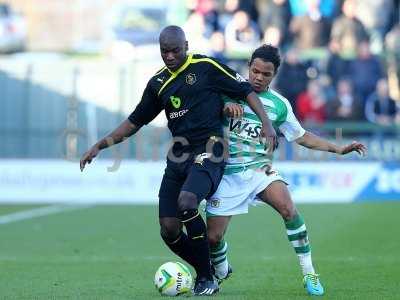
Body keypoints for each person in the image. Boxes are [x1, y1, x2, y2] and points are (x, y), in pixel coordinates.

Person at [79, 26, 278, 296]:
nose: (170, 56)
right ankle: (212, 268)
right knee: (169, 229)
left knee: (187, 203)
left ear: (186, 45)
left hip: (211, 148)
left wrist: (266, 124)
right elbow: (134, 122)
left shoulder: (206, 66)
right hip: (179, 155)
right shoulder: (158, 83)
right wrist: (100, 145)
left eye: (175, 50)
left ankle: (206, 278)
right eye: (164, 51)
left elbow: (245, 90)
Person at [205, 44, 367, 296]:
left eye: (265, 74)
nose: (258, 77)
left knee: (288, 208)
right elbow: (203, 116)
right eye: (255, 71)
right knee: (213, 238)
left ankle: (309, 272)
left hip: (260, 170)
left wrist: (338, 149)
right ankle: (222, 268)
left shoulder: (279, 104)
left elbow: (301, 136)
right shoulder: (227, 92)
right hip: (228, 173)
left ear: (274, 74)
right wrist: (222, 109)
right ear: (248, 67)